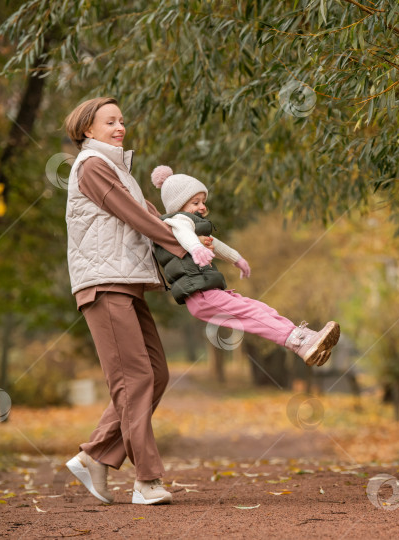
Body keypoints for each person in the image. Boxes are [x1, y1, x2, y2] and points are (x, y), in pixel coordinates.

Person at [61, 97, 199, 506]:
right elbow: (134, 216)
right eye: (110, 121)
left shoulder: (119, 170)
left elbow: (149, 214)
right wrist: (181, 246)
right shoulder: (92, 166)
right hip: (103, 284)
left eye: (122, 120)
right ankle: (147, 480)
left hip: (126, 282)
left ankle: (97, 455)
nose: (120, 127)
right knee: (134, 379)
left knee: (154, 373)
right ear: (88, 129)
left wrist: (193, 236)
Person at [149, 165, 341, 366]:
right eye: (195, 202)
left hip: (208, 292)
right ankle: (298, 342)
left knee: (261, 308)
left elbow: (217, 244)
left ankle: (306, 339)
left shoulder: (196, 226)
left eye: (203, 201)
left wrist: (236, 259)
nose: (203, 207)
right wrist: (196, 248)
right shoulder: (178, 221)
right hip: (201, 297)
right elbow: (184, 233)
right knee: (253, 315)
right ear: (178, 206)